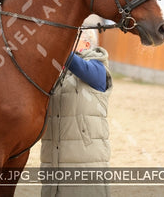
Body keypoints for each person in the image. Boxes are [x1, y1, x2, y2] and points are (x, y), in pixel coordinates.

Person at [40, 15, 112, 197]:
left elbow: (83, 69)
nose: (66, 43)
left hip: (86, 164)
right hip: (54, 163)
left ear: (87, 45)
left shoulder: (98, 68)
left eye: (70, 39)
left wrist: (59, 46)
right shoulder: (55, 71)